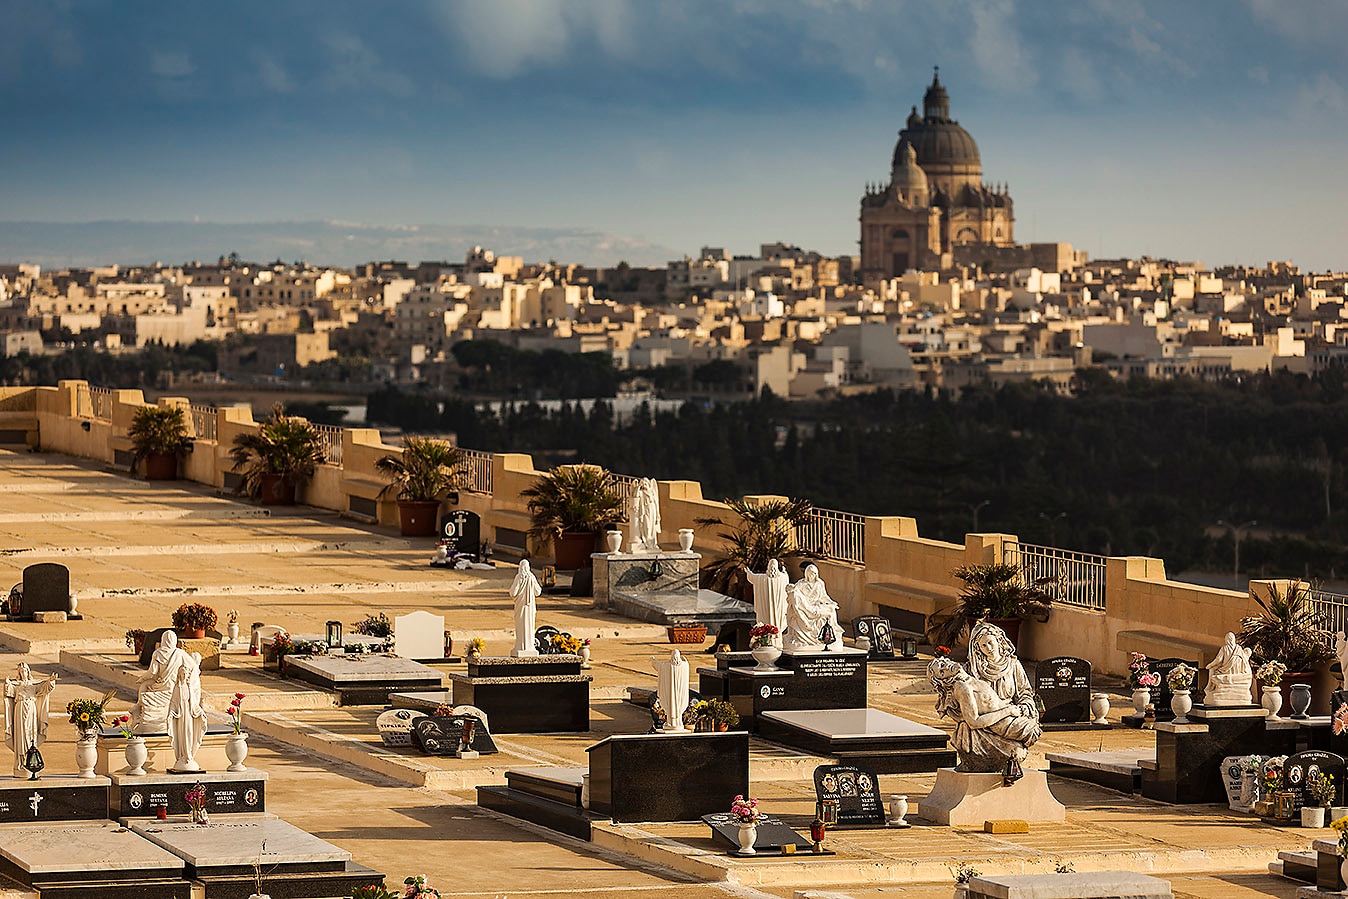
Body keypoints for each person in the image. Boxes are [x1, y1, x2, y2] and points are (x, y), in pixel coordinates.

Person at [928, 652, 1041, 779]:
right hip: (1004, 723)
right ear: (944, 679)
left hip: (1010, 717)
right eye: (941, 672)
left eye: (942, 663)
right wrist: (1008, 711)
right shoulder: (962, 687)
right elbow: (974, 721)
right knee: (1031, 732)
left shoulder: (968, 678)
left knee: (1031, 730)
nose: (945, 667)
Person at [4, 663, 58, 777]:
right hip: (19, 710)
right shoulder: (16, 685)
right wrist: (7, 684)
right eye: (21, 671)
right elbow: (9, 692)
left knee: (30, 735)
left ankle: (31, 762)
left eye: (25, 671)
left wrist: (51, 681)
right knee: (20, 736)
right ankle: (20, 763)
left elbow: (45, 688)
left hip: (31, 711)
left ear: (28, 672)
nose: (23, 673)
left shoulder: (34, 684)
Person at [130, 631, 186, 734]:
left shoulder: (158, 653)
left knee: (144, 685)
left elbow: (152, 672)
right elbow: (192, 666)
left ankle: (138, 706)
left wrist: (142, 678)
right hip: (173, 686)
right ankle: (139, 708)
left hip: (161, 685)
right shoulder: (180, 654)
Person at [784, 564, 844, 651]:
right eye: (810, 573)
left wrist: (831, 602)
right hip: (808, 607)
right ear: (806, 574)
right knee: (827, 613)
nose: (812, 575)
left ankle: (830, 635)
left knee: (831, 609)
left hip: (817, 605)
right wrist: (791, 590)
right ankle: (823, 636)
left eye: (814, 573)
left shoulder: (820, 583)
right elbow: (793, 591)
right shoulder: (801, 583)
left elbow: (824, 596)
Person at [168, 651, 207, 772]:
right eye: (182, 674)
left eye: (186, 674)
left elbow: (194, 703)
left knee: (190, 734)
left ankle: (189, 755)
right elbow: (173, 702)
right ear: (179, 675)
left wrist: (199, 711)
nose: (184, 676)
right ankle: (182, 756)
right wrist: (171, 713)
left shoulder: (189, 688)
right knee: (181, 736)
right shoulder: (177, 688)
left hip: (189, 716)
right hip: (180, 717)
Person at [744, 559, 788, 648]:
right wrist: (784, 571)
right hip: (775, 610)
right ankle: (773, 640)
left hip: (769, 610)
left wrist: (748, 572)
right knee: (773, 626)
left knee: (768, 625)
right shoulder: (782, 578)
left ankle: (771, 640)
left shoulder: (761, 578)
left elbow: (752, 577)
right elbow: (786, 577)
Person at [510, 560, 541, 657]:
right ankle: (530, 646)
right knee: (529, 625)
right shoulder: (532, 577)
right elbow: (538, 591)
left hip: (521, 606)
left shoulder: (519, 577)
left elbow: (513, 592)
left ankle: (520, 646)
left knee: (521, 625)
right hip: (530, 607)